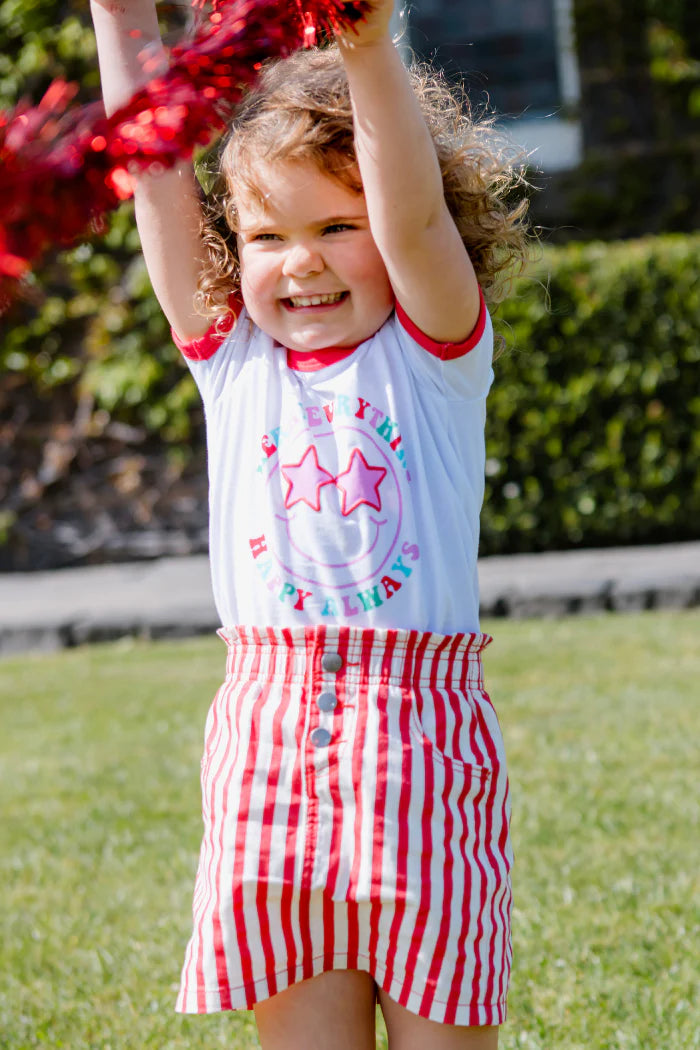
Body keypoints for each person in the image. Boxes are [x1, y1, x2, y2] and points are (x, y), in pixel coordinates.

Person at [90, 1, 530, 1046]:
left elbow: (413, 220)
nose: (301, 263)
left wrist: (366, 43)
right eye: (266, 236)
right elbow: (154, 176)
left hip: (417, 748)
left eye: (338, 228)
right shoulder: (232, 362)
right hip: (267, 752)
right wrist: (118, 15)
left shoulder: (432, 357)